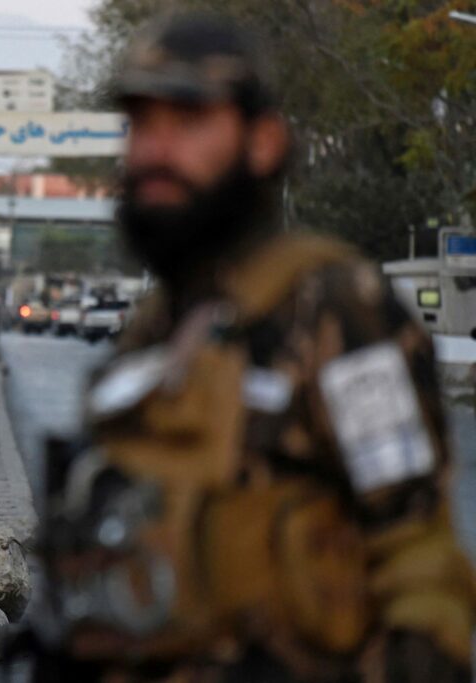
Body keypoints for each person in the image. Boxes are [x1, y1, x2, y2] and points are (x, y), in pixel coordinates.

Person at [26, 13, 475, 682]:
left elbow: (418, 562)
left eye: (189, 121)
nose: (155, 150)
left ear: (263, 143)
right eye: (141, 124)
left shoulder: (332, 306)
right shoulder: (155, 326)